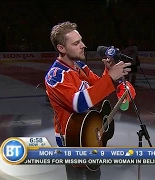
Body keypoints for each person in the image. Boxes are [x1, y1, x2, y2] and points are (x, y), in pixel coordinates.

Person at [44, 21, 131, 180]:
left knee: (94, 175)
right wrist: (111, 77)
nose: (83, 45)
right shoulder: (56, 76)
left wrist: (108, 71)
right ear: (61, 48)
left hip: (91, 130)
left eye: (81, 40)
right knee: (76, 176)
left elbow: (99, 91)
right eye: (76, 43)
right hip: (72, 138)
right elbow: (78, 104)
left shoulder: (81, 67)